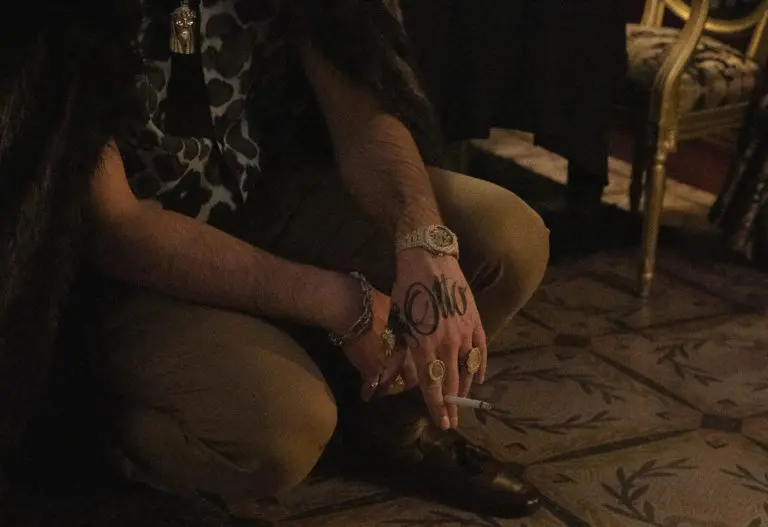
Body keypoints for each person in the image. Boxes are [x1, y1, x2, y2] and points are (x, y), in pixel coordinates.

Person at [4, 0, 550, 520]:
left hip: (259, 195)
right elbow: (118, 230)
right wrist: (336, 300)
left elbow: (362, 110)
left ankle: (392, 432)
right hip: (118, 274)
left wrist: (425, 240)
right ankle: (105, 450)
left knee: (506, 240)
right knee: (283, 427)